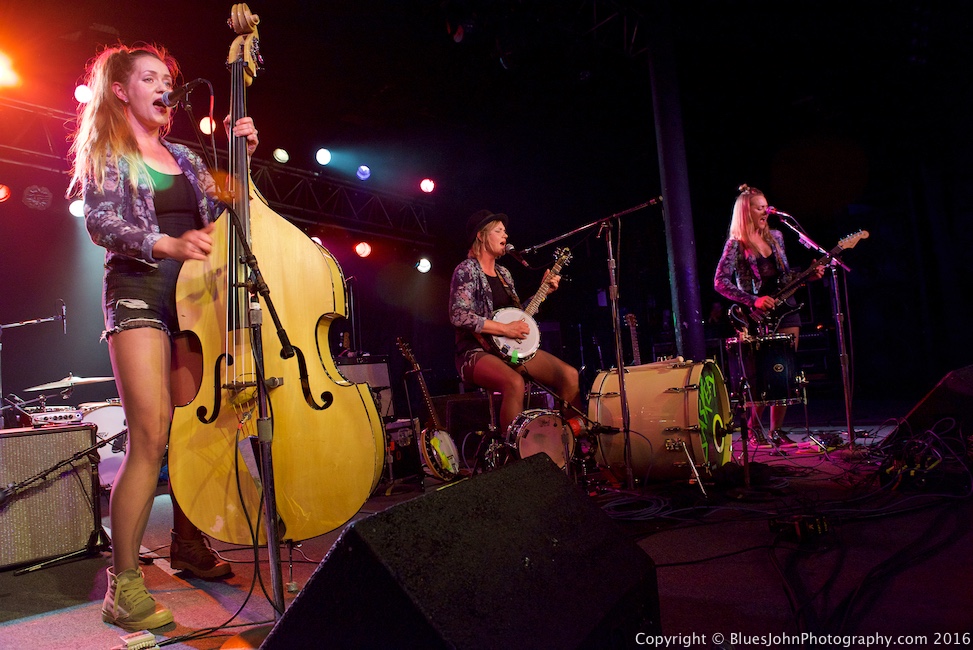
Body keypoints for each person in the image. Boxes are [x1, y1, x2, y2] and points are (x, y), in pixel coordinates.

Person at [67, 44, 259, 632]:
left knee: (196, 428)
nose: (163, 87)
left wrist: (243, 157)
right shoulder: (108, 151)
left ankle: (188, 545)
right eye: (149, 77)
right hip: (139, 293)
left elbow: (236, 216)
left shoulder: (185, 155)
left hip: (196, 302)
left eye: (166, 78)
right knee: (150, 436)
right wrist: (165, 244)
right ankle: (123, 587)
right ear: (121, 90)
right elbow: (101, 222)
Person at [449, 210, 582, 444]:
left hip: (509, 351)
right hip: (473, 353)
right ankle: (516, 459)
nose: (506, 234)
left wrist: (543, 293)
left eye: (505, 230)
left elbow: (519, 316)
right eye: (499, 230)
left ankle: (572, 444)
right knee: (514, 382)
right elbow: (459, 316)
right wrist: (505, 330)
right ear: (481, 236)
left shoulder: (504, 274)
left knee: (569, 375)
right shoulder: (466, 270)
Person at [713, 185, 823, 447]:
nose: (766, 210)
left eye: (766, 205)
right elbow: (720, 282)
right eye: (759, 206)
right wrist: (754, 300)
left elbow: (784, 277)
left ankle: (777, 431)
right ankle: (753, 427)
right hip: (757, 315)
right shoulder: (736, 245)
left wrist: (809, 275)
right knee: (764, 374)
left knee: (785, 372)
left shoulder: (776, 236)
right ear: (746, 211)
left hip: (788, 309)